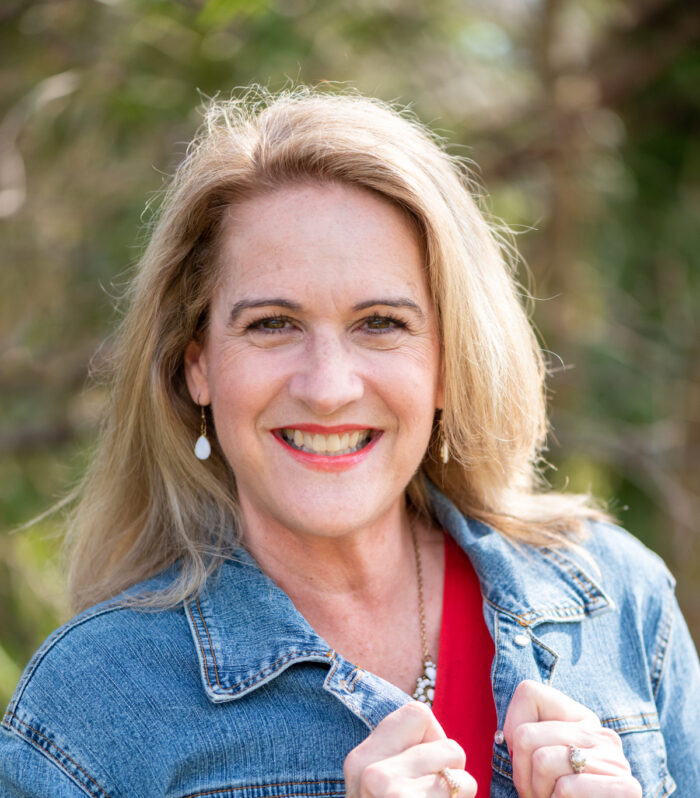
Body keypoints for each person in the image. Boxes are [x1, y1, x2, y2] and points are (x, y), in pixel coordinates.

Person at [1, 87, 697, 798]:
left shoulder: (616, 602)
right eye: (272, 324)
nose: (328, 387)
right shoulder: (95, 701)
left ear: (448, 362)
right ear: (197, 363)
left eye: (381, 323)